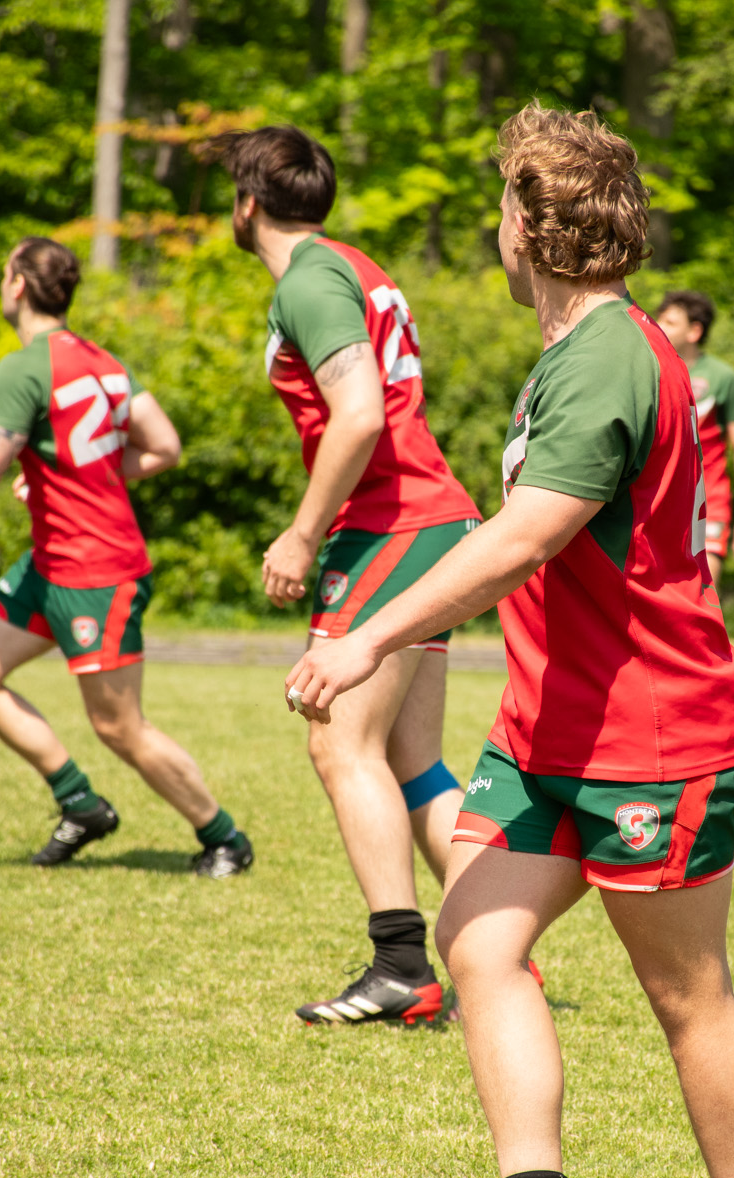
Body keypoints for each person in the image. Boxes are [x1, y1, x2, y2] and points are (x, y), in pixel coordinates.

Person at [282, 104, 734, 1178]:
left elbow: (526, 537)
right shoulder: (575, 351)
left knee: (686, 995)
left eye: (501, 205)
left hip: (649, 739)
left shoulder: (612, 353)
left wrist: (368, 634)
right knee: (475, 940)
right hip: (548, 731)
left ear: (533, 224)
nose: (493, 226)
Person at [212, 125, 486, 1027]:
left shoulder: (310, 278)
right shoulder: (349, 263)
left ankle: (402, 964)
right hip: (429, 520)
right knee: (409, 759)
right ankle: (494, 946)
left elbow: (361, 413)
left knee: (336, 737)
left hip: (392, 525)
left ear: (248, 204)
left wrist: (300, 533)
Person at [0, 237, 255, 874]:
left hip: (95, 571)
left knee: (119, 727)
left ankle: (224, 839)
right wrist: (80, 474)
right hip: (52, 560)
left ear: (17, 286)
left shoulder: (22, 367)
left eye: (2, 273)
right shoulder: (105, 363)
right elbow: (163, 447)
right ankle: (80, 803)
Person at [652, 290, 734, 585]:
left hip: (708, 502)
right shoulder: (649, 371)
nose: (659, 326)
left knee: (703, 591)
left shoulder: (723, 378)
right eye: (659, 319)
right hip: (658, 503)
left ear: (694, 331)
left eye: (671, 322)